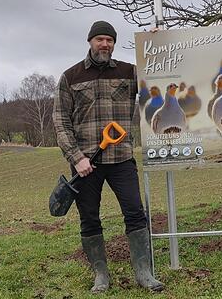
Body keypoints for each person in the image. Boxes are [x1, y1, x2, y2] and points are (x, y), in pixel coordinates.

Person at [52, 20, 164, 293]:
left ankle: (143, 272)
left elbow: (159, 74)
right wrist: (77, 157)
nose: (105, 44)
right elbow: (60, 121)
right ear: (90, 41)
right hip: (86, 164)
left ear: (114, 44)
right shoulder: (71, 77)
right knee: (89, 218)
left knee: (135, 213)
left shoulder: (129, 73)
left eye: (109, 40)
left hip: (121, 158)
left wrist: (156, 45)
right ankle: (100, 275)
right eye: (100, 39)